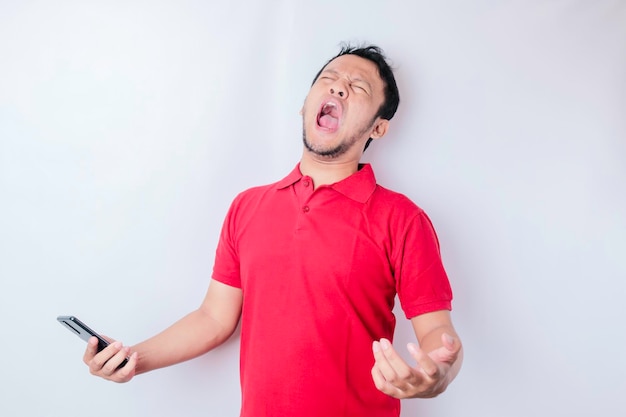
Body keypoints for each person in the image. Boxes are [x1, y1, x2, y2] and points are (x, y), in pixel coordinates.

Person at [83, 43, 463, 417]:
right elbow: (214, 318)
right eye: (329, 78)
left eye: (357, 86)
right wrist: (133, 359)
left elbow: (438, 336)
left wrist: (435, 375)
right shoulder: (247, 207)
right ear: (305, 105)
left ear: (378, 128)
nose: (338, 87)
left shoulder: (403, 219)